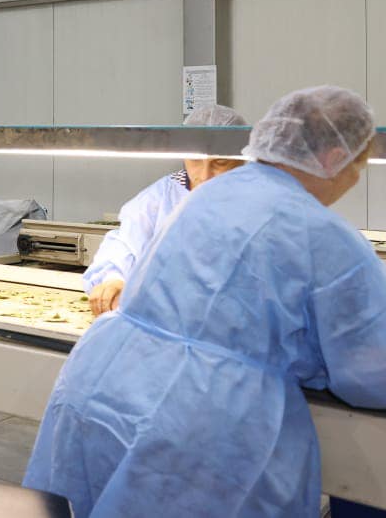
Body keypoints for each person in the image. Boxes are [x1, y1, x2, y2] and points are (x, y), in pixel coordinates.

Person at [24, 85, 386, 518]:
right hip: (205, 419)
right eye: (358, 168)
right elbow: (371, 374)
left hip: (107, 382)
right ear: (336, 159)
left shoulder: (204, 197)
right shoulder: (326, 235)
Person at [82, 104, 246, 316]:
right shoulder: (162, 198)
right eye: (195, 159)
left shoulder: (258, 199)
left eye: (220, 162)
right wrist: (113, 278)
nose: (205, 175)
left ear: (242, 159)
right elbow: (125, 242)